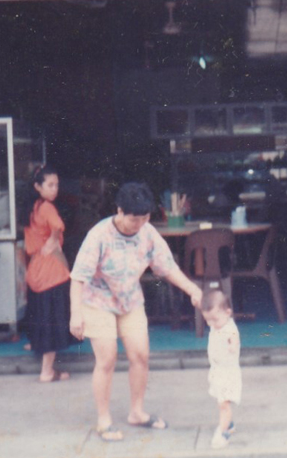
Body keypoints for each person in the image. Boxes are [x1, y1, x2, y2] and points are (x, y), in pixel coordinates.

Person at [69, 182, 203, 443]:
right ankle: (104, 419)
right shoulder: (99, 235)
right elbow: (78, 277)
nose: (139, 224)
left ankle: (137, 412)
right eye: (134, 218)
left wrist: (192, 289)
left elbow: (167, 267)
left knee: (140, 355)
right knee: (107, 359)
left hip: (130, 300)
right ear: (119, 211)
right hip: (97, 301)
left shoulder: (148, 232)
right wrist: (76, 313)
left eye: (145, 218)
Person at [24, 165, 75, 382]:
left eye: (56, 185)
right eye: (50, 185)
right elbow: (58, 226)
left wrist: (50, 241)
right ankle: (47, 371)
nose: (55, 189)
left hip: (37, 267)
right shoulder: (47, 208)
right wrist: (54, 240)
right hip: (51, 271)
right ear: (38, 187)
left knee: (41, 316)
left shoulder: (35, 207)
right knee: (53, 319)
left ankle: (37, 348)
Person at [201, 289, 241, 450]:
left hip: (228, 374)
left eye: (214, 320)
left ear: (228, 313)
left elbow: (234, 339)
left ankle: (223, 432)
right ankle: (229, 424)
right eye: (207, 321)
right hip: (218, 371)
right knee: (221, 402)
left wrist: (232, 345)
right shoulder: (218, 322)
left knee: (224, 404)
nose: (211, 324)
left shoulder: (229, 328)